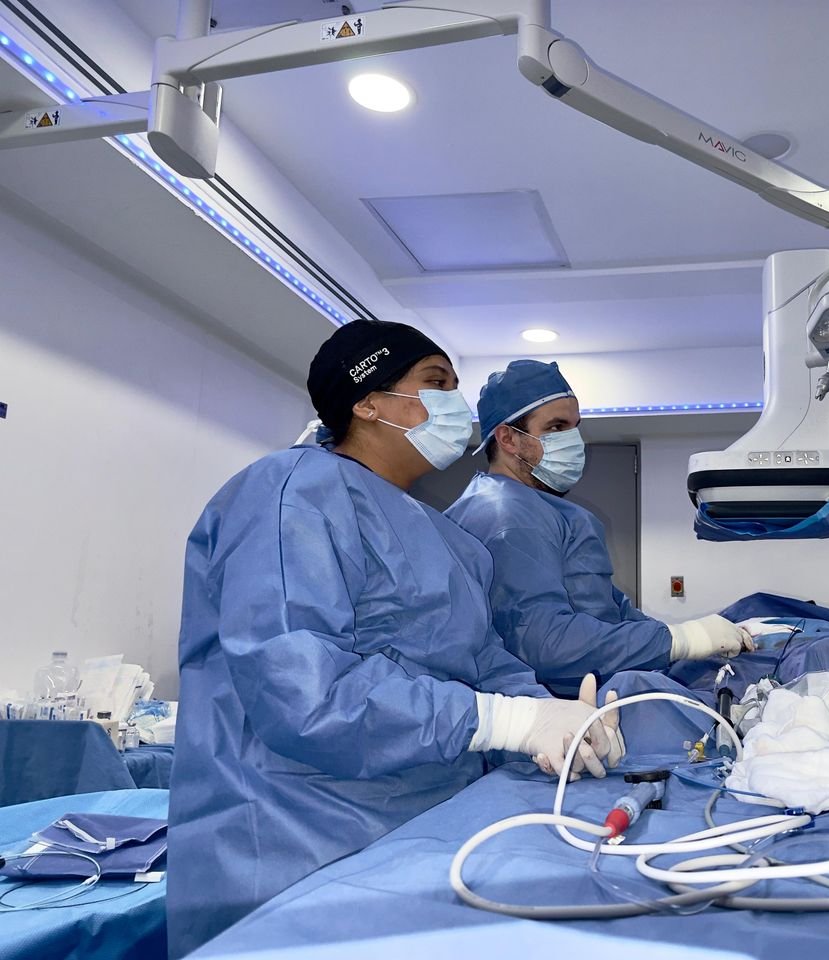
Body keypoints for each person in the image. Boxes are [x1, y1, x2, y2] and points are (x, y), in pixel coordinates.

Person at [167, 322, 621, 957]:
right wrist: (502, 720)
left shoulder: (444, 536)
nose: (455, 406)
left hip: (426, 825)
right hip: (295, 845)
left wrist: (554, 717)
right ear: (366, 401)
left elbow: (481, 654)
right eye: (435, 383)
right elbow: (303, 693)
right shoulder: (288, 492)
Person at [446, 359, 752, 696]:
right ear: (508, 438)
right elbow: (544, 642)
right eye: (556, 427)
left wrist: (680, 638)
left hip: (595, 689)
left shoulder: (546, 510)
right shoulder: (505, 514)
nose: (573, 440)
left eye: (575, 426)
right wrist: (679, 640)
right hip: (560, 709)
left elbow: (610, 608)